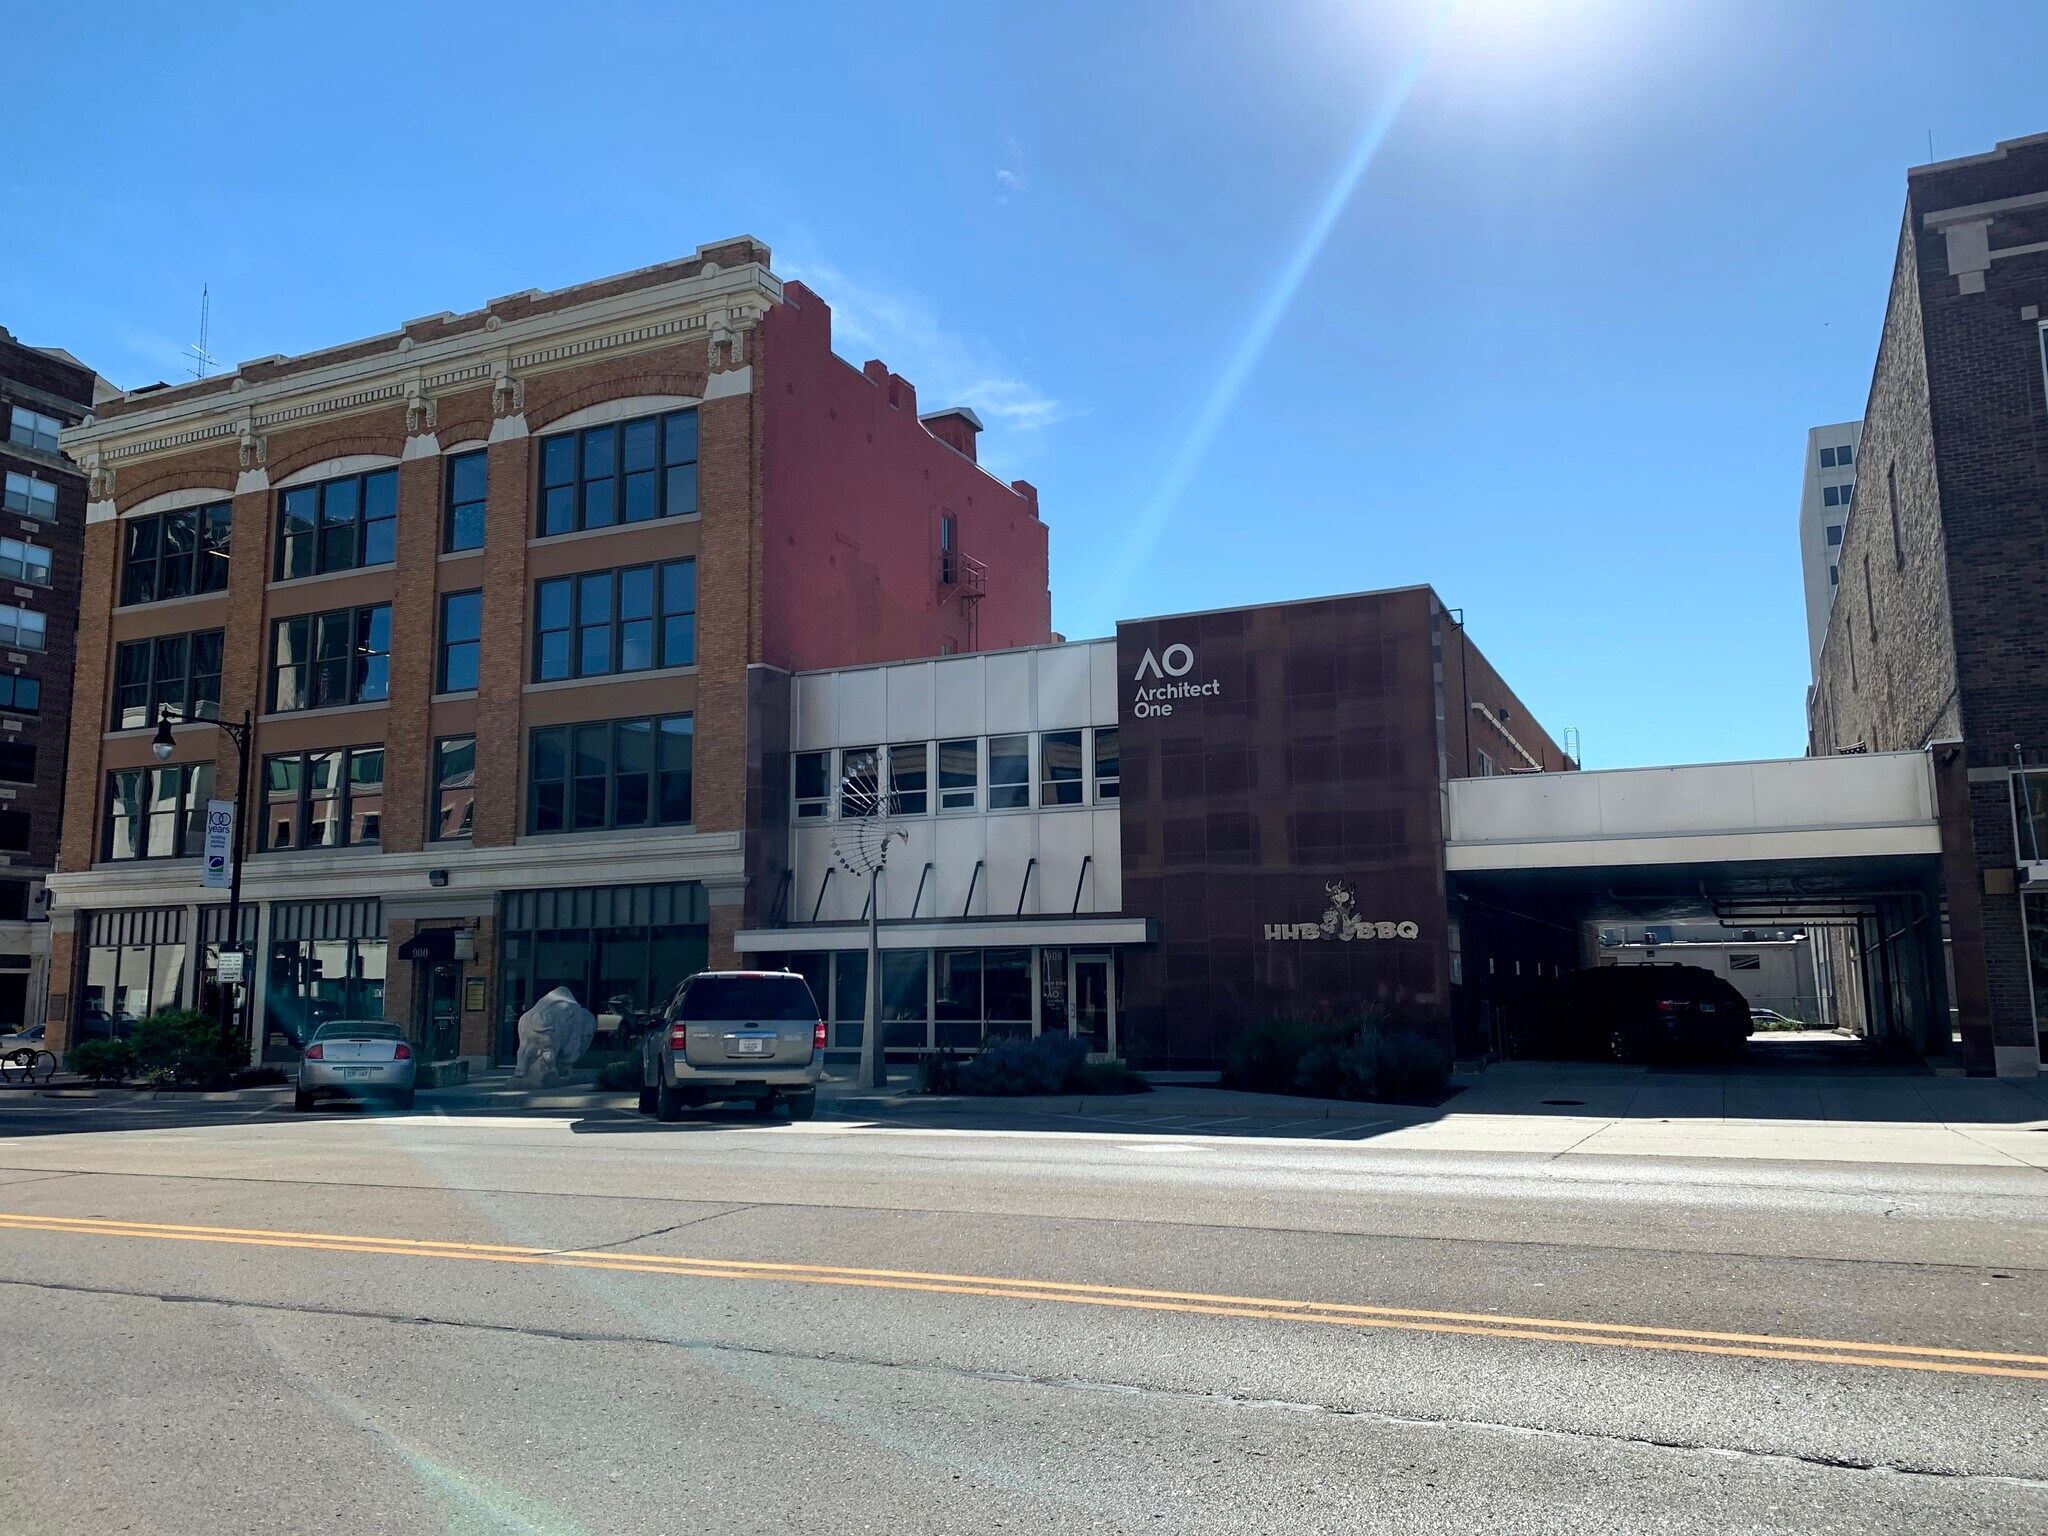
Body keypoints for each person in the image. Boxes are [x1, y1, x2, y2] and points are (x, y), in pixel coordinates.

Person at [513, 985, 596, 1086]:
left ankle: (520, 1069)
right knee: (549, 1049)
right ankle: (552, 1070)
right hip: (549, 1025)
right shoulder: (577, 1018)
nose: (587, 1036)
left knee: (525, 1045)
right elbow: (570, 1049)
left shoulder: (565, 1006)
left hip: (526, 1020)